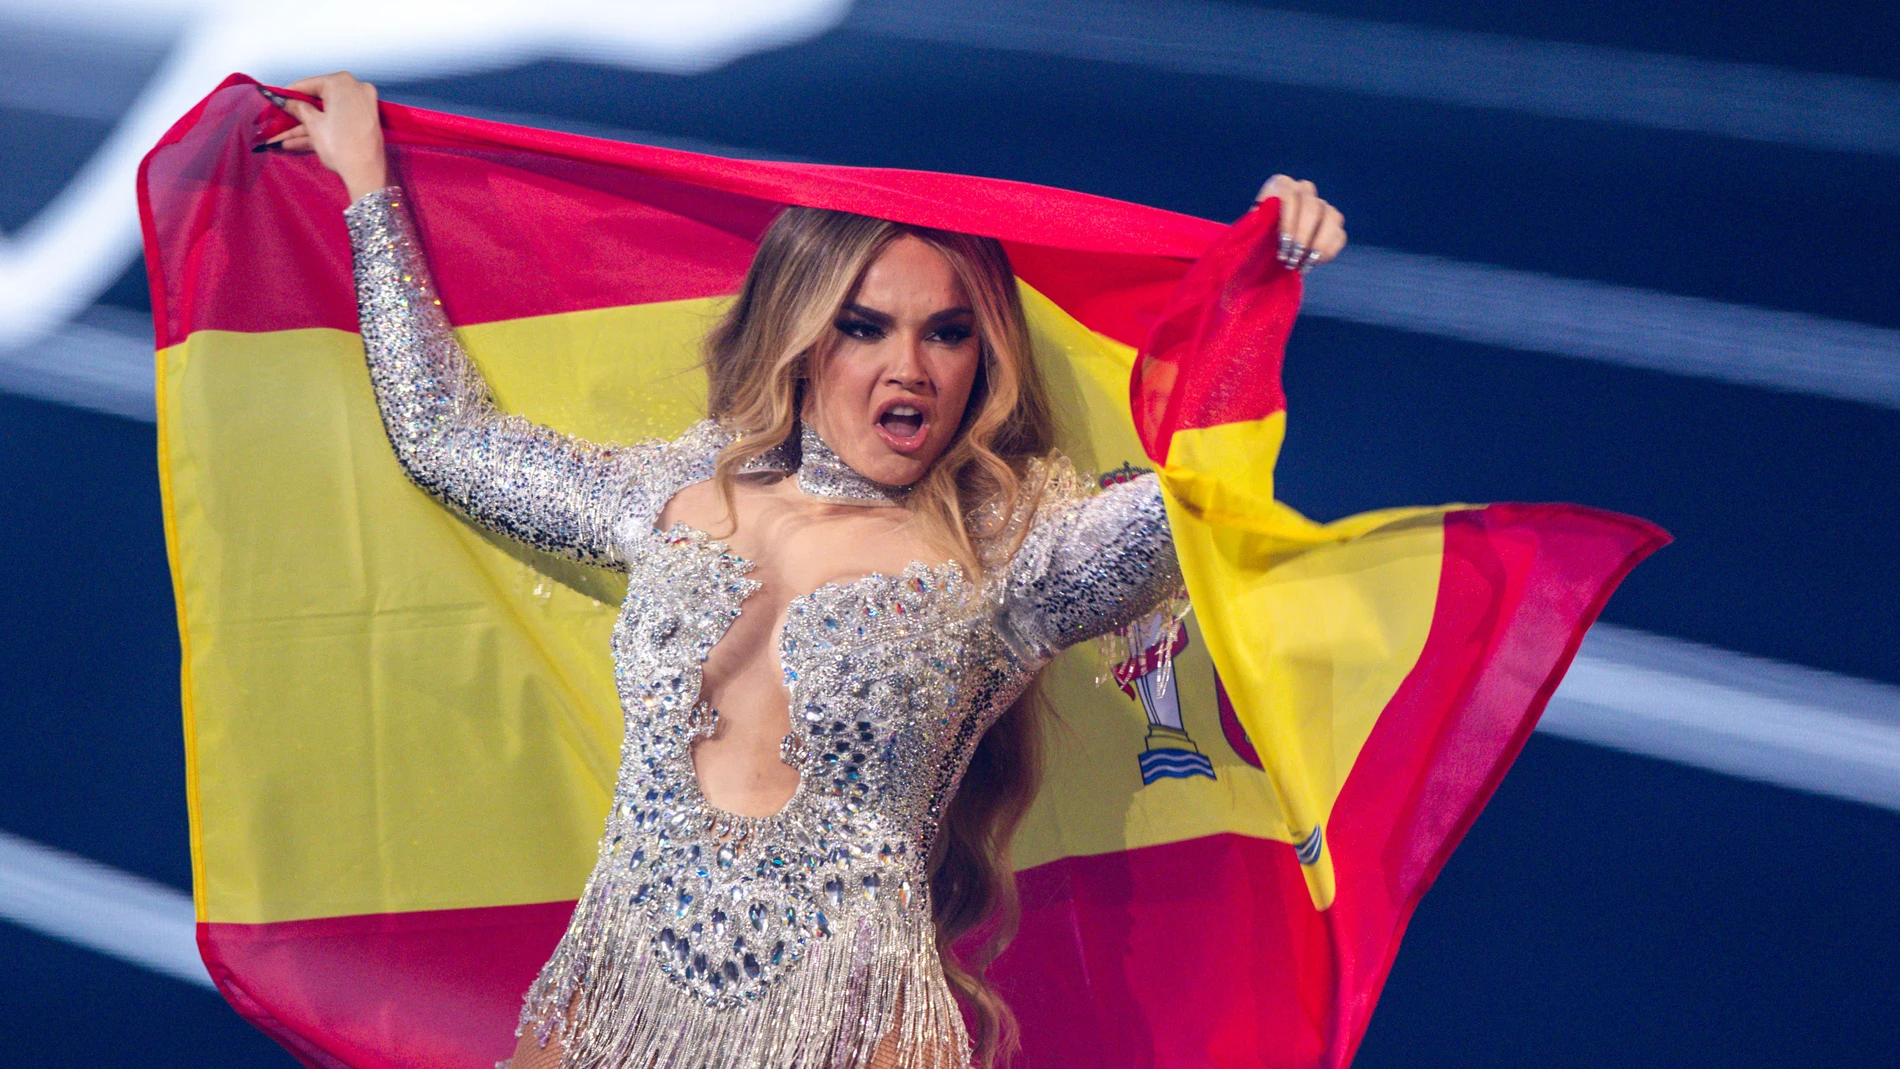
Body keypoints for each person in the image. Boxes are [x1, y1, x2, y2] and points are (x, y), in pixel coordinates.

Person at [269, 72, 1347, 1069]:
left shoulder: (1009, 545)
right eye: (864, 327)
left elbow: (1197, 494)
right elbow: (447, 441)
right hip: (610, 1010)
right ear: (800, 334)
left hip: (852, 1029)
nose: (908, 368)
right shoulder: (681, 492)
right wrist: (367, 186)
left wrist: (1264, 285)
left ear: (985, 357)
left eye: (948, 333)